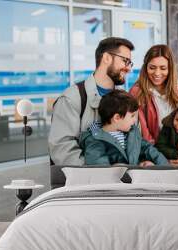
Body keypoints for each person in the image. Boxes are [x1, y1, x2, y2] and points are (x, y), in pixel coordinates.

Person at [49, 37, 135, 165]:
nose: (129, 68)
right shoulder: (72, 99)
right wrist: (102, 173)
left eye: (130, 63)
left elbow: (134, 140)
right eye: (125, 61)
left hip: (123, 180)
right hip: (87, 182)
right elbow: (62, 150)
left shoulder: (125, 100)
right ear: (106, 58)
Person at [80, 90, 168, 166]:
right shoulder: (95, 139)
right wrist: (118, 170)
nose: (135, 120)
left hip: (135, 179)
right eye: (132, 116)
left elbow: (148, 149)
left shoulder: (132, 133)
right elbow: (99, 167)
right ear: (117, 118)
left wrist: (162, 167)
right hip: (116, 183)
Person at [129, 44, 178, 144]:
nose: (157, 73)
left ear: (170, 69)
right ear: (145, 67)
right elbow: (142, 133)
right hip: (152, 152)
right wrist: (160, 155)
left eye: (163, 68)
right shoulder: (136, 93)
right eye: (152, 67)